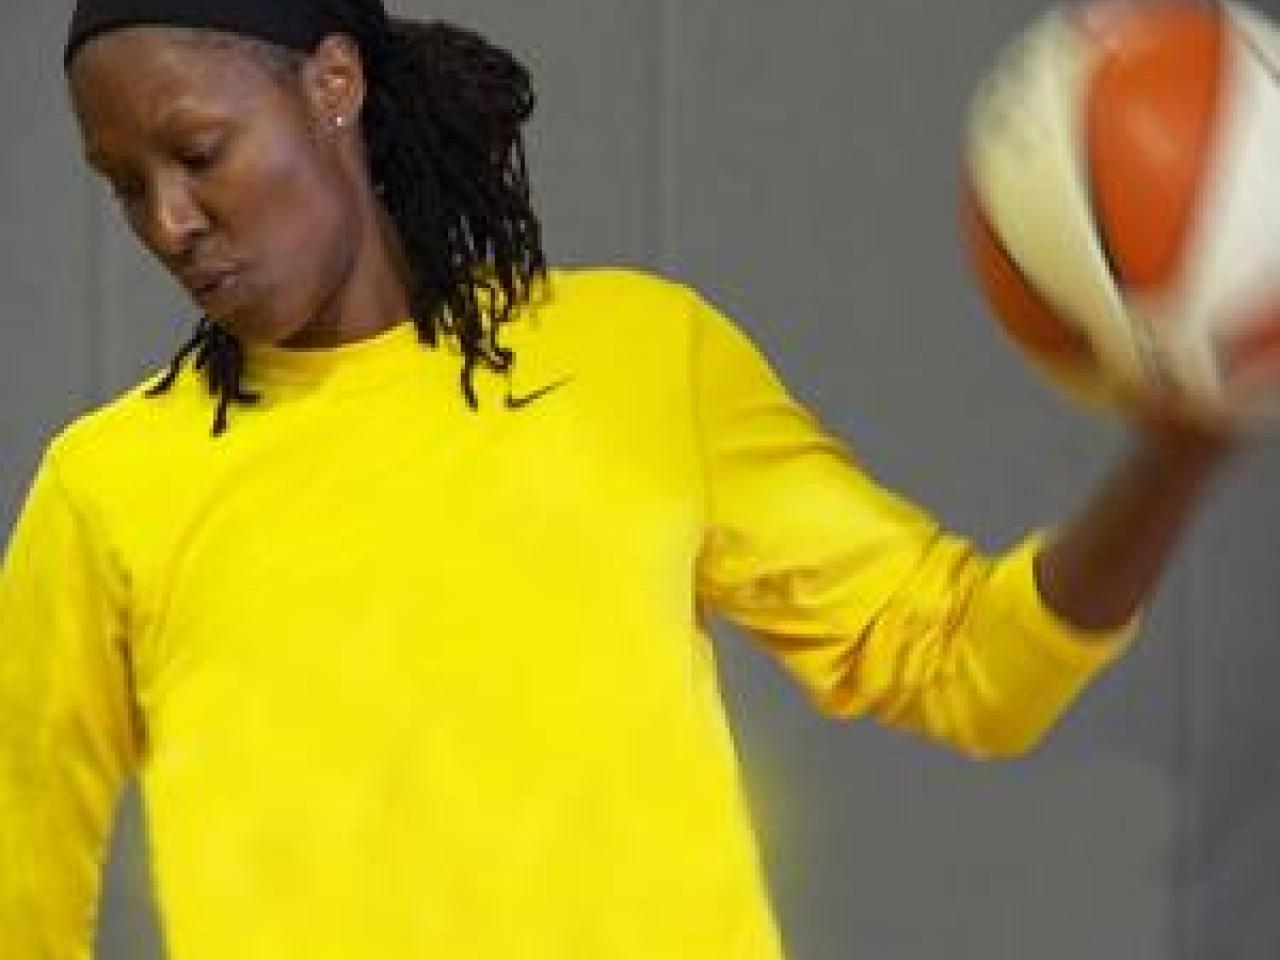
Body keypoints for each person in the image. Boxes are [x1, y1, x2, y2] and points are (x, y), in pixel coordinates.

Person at [0, 1, 1240, 958]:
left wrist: (1172, 455)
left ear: (334, 82)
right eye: (125, 188)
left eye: (198, 153)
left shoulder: (640, 361)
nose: (169, 222)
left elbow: (966, 665)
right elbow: (20, 891)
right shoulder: (110, 488)